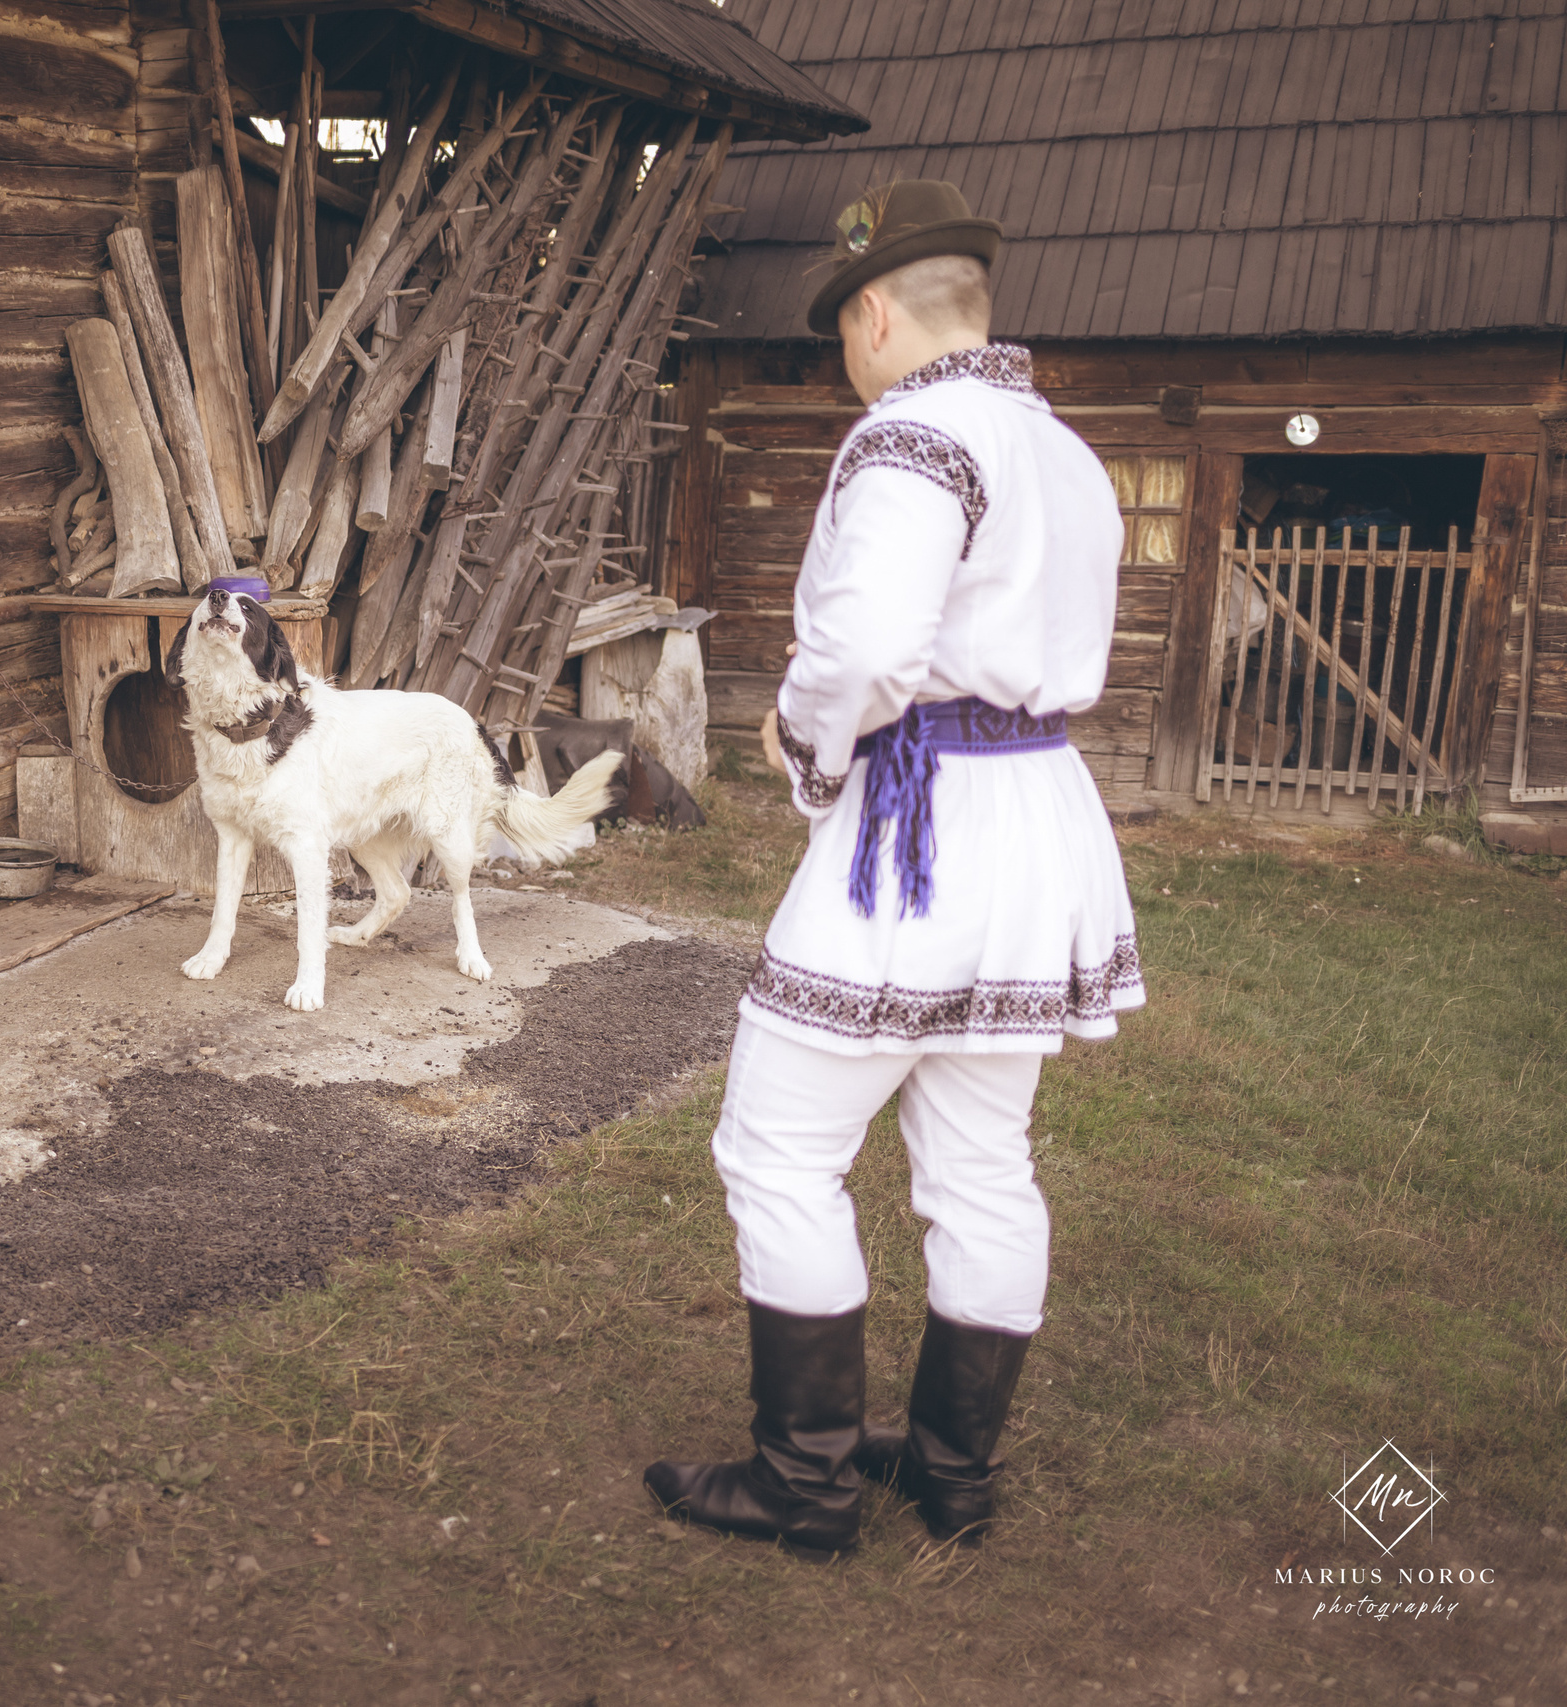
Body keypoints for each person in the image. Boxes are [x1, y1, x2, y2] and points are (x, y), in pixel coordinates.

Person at [642, 181, 1144, 1559]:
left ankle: (804, 1487)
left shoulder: (913, 436)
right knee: (985, 1162)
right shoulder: (1067, 453)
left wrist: (806, 753)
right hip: (1038, 812)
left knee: (778, 1144)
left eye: (839, 334)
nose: (841, 362)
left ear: (873, 312)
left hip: (920, 833)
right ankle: (950, 1475)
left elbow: (865, 656)